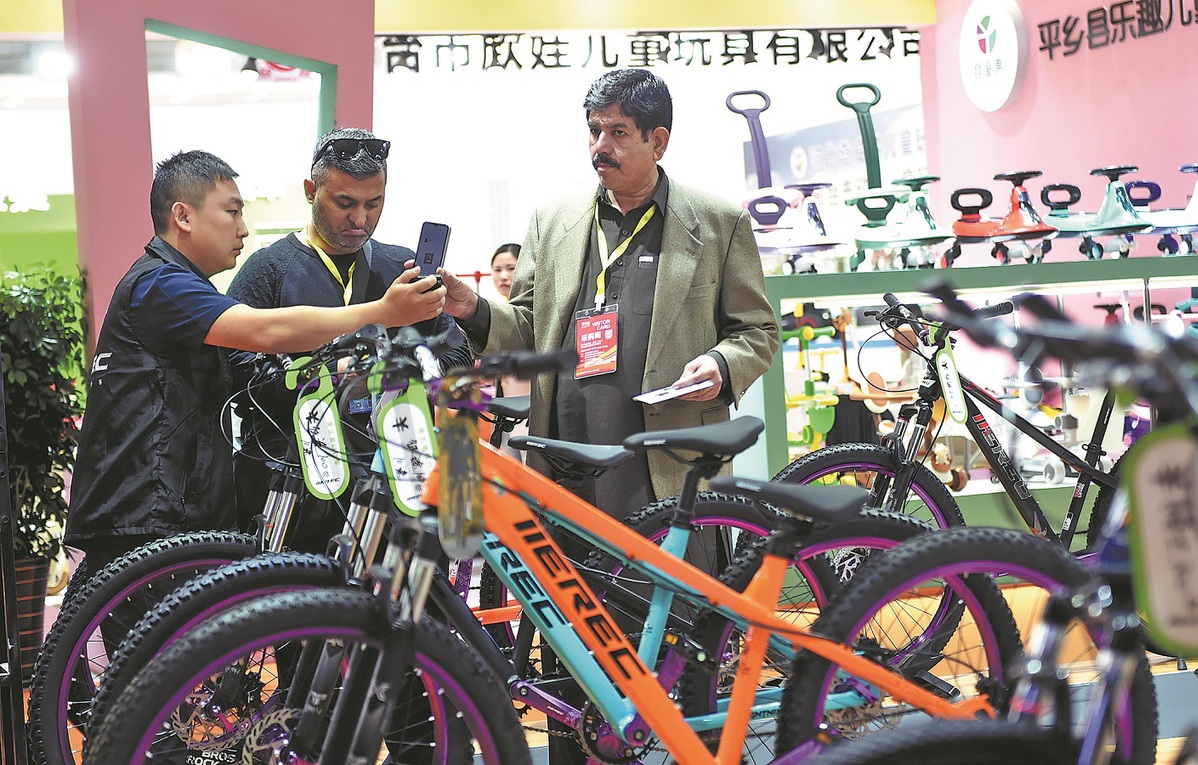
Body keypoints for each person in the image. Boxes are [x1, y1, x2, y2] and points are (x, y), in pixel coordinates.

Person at [63, 149, 447, 576]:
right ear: (183, 216)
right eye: (232, 212)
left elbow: (452, 350)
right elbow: (264, 333)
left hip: (166, 508)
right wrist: (382, 313)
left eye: (373, 202)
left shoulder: (175, 284)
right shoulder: (164, 283)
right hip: (149, 510)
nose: (243, 228)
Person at [443, 68, 779, 522]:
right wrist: (473, 309)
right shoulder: (552, 220)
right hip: (564, 450)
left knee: (668, 569)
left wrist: (722, 364)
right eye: (594, 131)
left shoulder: (719, 223)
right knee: (566, 568)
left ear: (657, 142)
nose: (600, 146)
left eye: (618, 132)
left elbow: (757, 332)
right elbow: (528, 327)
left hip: (667, 453)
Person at [225, 127, 472, 530]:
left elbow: (456, 349)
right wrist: (327, 374)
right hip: (292, 487)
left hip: (396, 479)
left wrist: (415, 374)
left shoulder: (402, 268)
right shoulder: (268, 271)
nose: (360, 219)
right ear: (311, 191)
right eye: (345, 203)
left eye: (374, 203)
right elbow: (236, 373)